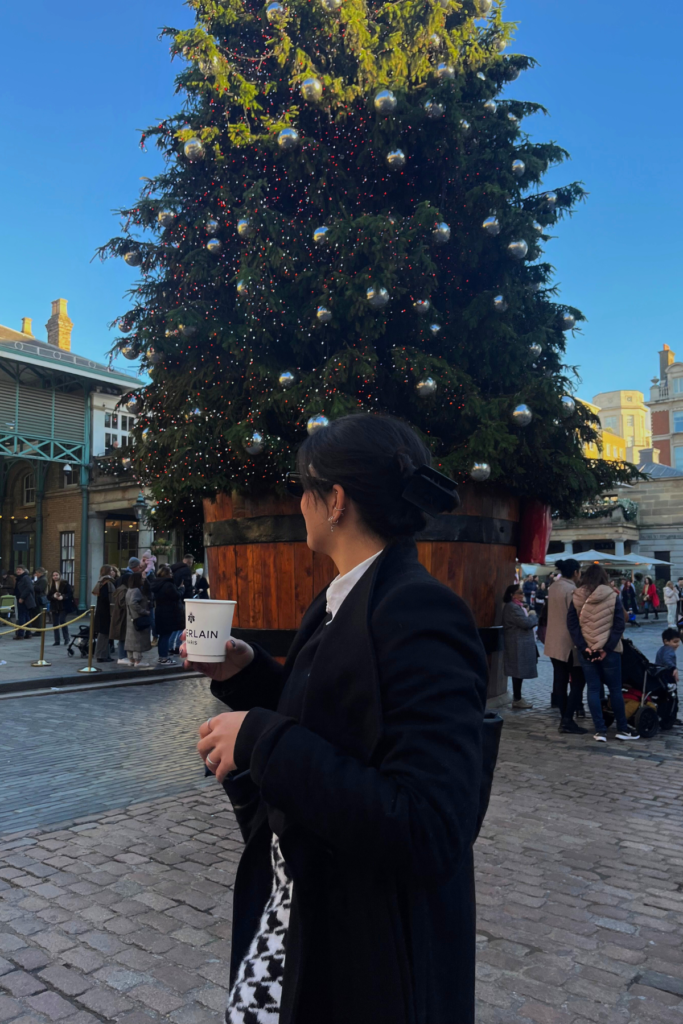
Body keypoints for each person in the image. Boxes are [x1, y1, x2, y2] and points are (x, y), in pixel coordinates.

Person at [185, 414, 489, 1024]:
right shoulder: (344, 598)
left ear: (335, 502)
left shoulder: (419, 610)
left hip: (367, 949)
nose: (298, 504)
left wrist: (260, 740)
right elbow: (336, 717)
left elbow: (429, 825)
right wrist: (245, 673)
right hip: (303, 907)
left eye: (304, 489)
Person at [567, 564, 639, 743]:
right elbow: (619, 624)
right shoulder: (612, 595)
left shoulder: (576, 596)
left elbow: (572, 624)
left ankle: (600, 730)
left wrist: (584, 647)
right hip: (610, 651)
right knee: (615, 689)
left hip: (587, 651)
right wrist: (606, 649)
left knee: (592, 689)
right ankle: (622, 729)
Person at [543, 557, 587, 735]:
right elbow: (578, 616)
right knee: (578, 680)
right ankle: (567, 719)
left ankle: (564, 717)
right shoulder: (572, 590)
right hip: (569, 641)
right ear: (576, 572)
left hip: (553, 639)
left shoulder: (553, 587)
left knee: (560, 680)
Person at [502, 583, 538, 709]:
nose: (523, 595)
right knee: (517, 671)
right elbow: (525, 623)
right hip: (516, 644)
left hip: (519, 643)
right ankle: (517, 699)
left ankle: (518, 697)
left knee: (519, 672)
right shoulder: (512, 607)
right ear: (512, 595)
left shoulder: (517, 606)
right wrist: (533, 615)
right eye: (520, 593)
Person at [149, 565, 183, 665]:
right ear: (167, 574)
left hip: (160, 612)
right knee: (165, 636)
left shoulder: (157, 584)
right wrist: (181, 589)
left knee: (163, 636)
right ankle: (164, 658)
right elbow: (176, 596)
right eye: (171, 573)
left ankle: (162, 657)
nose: (172, 575)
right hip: (168, 613)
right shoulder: (168, 584)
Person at [124, 571, 153, 668]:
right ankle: (138, 661)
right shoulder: (136, 590)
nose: (143, 580)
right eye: (141, 579)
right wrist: (144, 611)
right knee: (137, 640)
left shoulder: (129, 590)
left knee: (130, 640)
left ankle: (131, 659)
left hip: (131, 618)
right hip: (137, 617)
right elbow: (133, 603)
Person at [92, 566, 116, 663]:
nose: (113, 572)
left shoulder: (102, 582)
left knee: (106, 634)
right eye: (111, 570)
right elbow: (106, 598)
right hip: (105, 612)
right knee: (104, 634)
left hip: (102, 611)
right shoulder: (107, 583)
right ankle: (101, 655)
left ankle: (106, 654)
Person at [48, 571, 72, 645]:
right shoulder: (51, 585)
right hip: (55, 606)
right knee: (55, 623)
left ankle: (66, 638)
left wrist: (63, 597)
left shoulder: (65, 583)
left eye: (56, 575)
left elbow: (70, 593)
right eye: (53, 575)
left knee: (62, 621)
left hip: (63, 606)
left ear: (60, 575)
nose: (55, 576)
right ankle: (57, 640)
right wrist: (53, 596)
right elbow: (48, 596)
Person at [110, 572, 129, 663]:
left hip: (120, 615)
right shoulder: (123, 590)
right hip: (122, 616)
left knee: (123, 636)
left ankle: (123, 656)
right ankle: (122, 656)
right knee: (122, 636)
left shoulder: (121, 589)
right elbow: (123, 603)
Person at [13, 566, 37, 639]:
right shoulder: (19, 578)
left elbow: (29, 588)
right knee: (26, 616)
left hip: (24, 600)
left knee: (22, 616)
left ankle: (20, 634)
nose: (18, 571)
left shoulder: (25, 577)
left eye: (20, 570)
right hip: (20, 599)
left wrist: (22, 597)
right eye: (17, 569)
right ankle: (28, 633)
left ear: (23, 570)